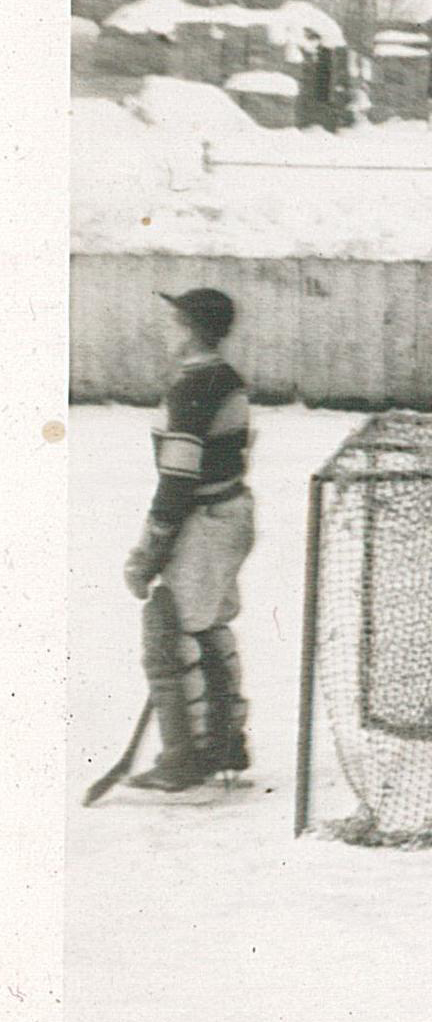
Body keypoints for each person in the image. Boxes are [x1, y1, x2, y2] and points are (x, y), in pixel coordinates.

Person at [121, 288, 256, 792]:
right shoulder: (225, 379)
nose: (165, 331)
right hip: (229, 513)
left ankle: (182, 758)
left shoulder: (195, 387)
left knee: (168, 633)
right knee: (207, 627)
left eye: (172, 322)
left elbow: (178, 480)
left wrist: (149, 551)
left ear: (191, 329)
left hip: (206, 519)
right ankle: (223, 743)